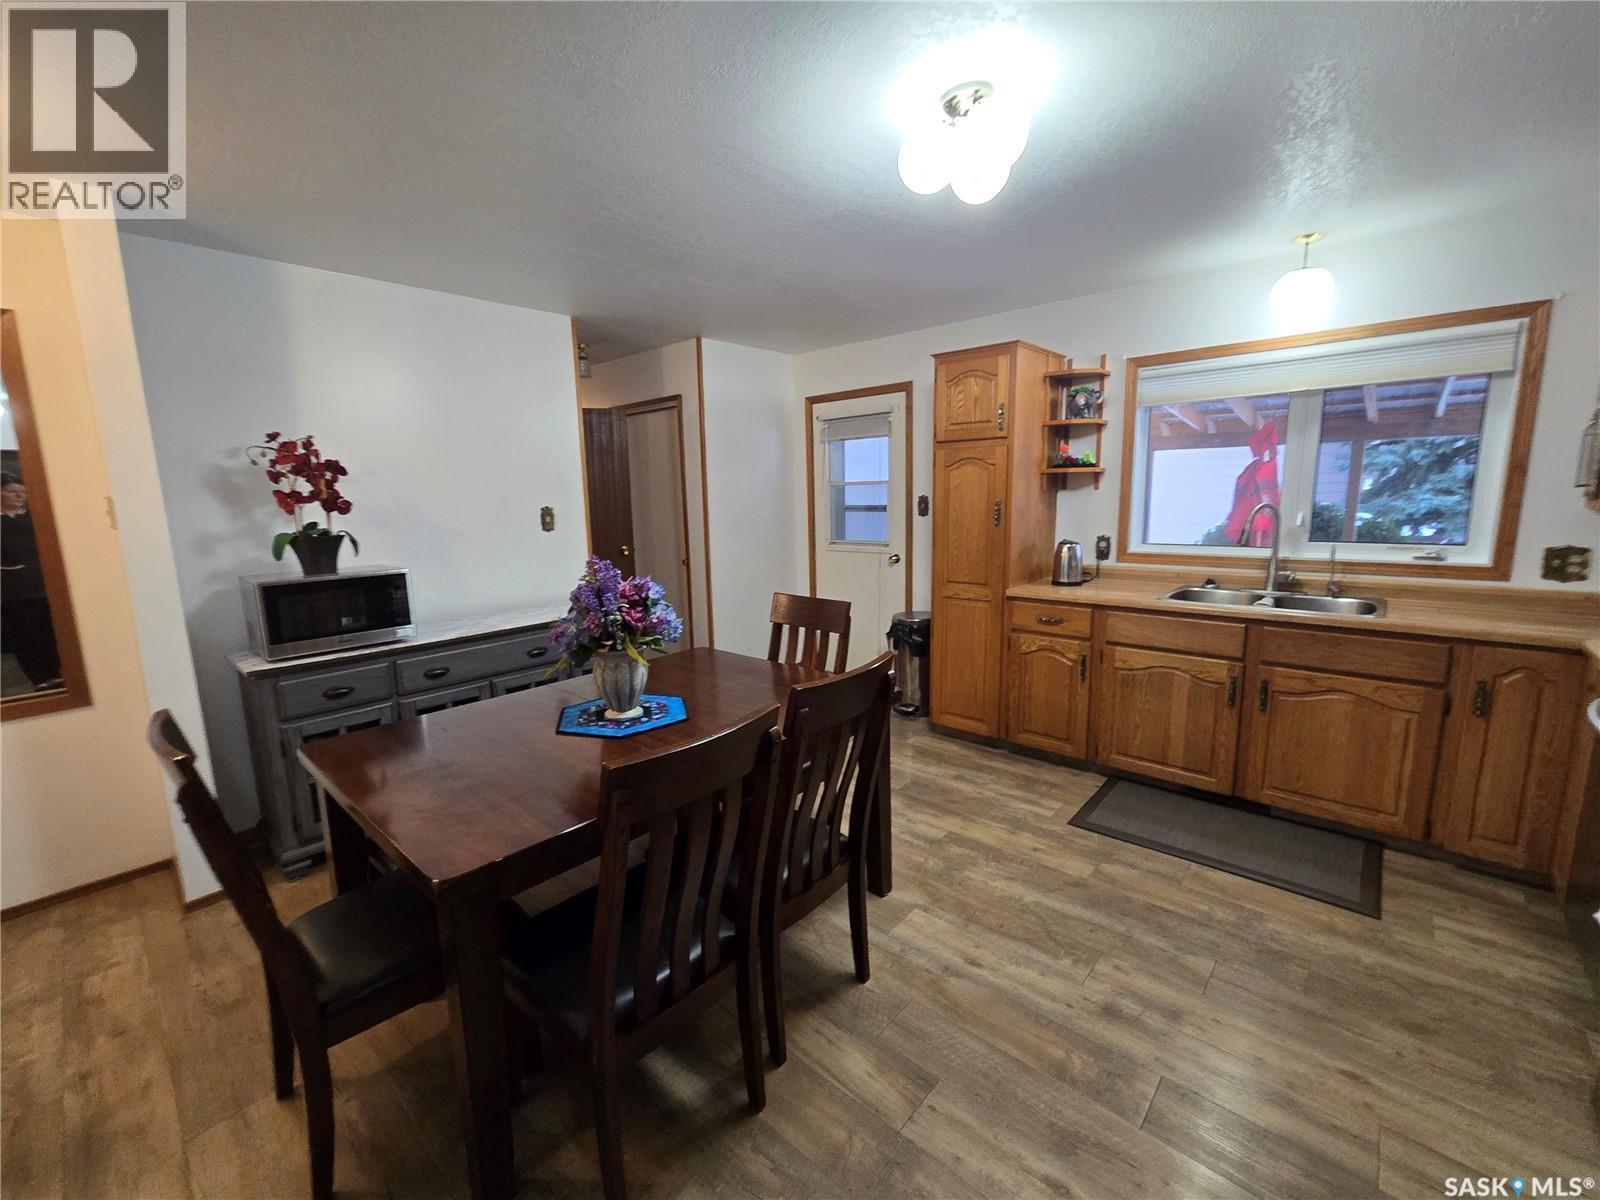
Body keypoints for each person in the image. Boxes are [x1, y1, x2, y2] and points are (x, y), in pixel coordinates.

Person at [1, 472, 62, 691]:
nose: (19, 495)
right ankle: (39, 678)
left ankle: (56, 673)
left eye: (23, 491)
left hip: (45, 585)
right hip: (13, 592)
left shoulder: (36, 518)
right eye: (12, 491)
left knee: (50, 631)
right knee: (25, 635)